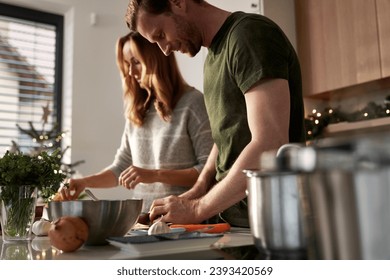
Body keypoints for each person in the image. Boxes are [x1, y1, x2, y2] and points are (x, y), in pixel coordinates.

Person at [125, 0, 306, 226]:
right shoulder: (212, 57)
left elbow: (269, 144)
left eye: (161, 34)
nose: (165, 49)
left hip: (269, 221)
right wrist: (198, 190)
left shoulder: (249, 35)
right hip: (233, 220)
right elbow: (225, 136)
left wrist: (198, 208)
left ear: (178, 3)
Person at [61, 31, 213, 213]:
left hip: (183, 218)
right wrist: (84, 182)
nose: (131, 72)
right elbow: (121, 168)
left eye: (136, 62)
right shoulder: (138, 111)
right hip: (141, 218)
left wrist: (155, 175)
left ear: (156, 60)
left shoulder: (193, 103)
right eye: (127, 64)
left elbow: (208, 172)